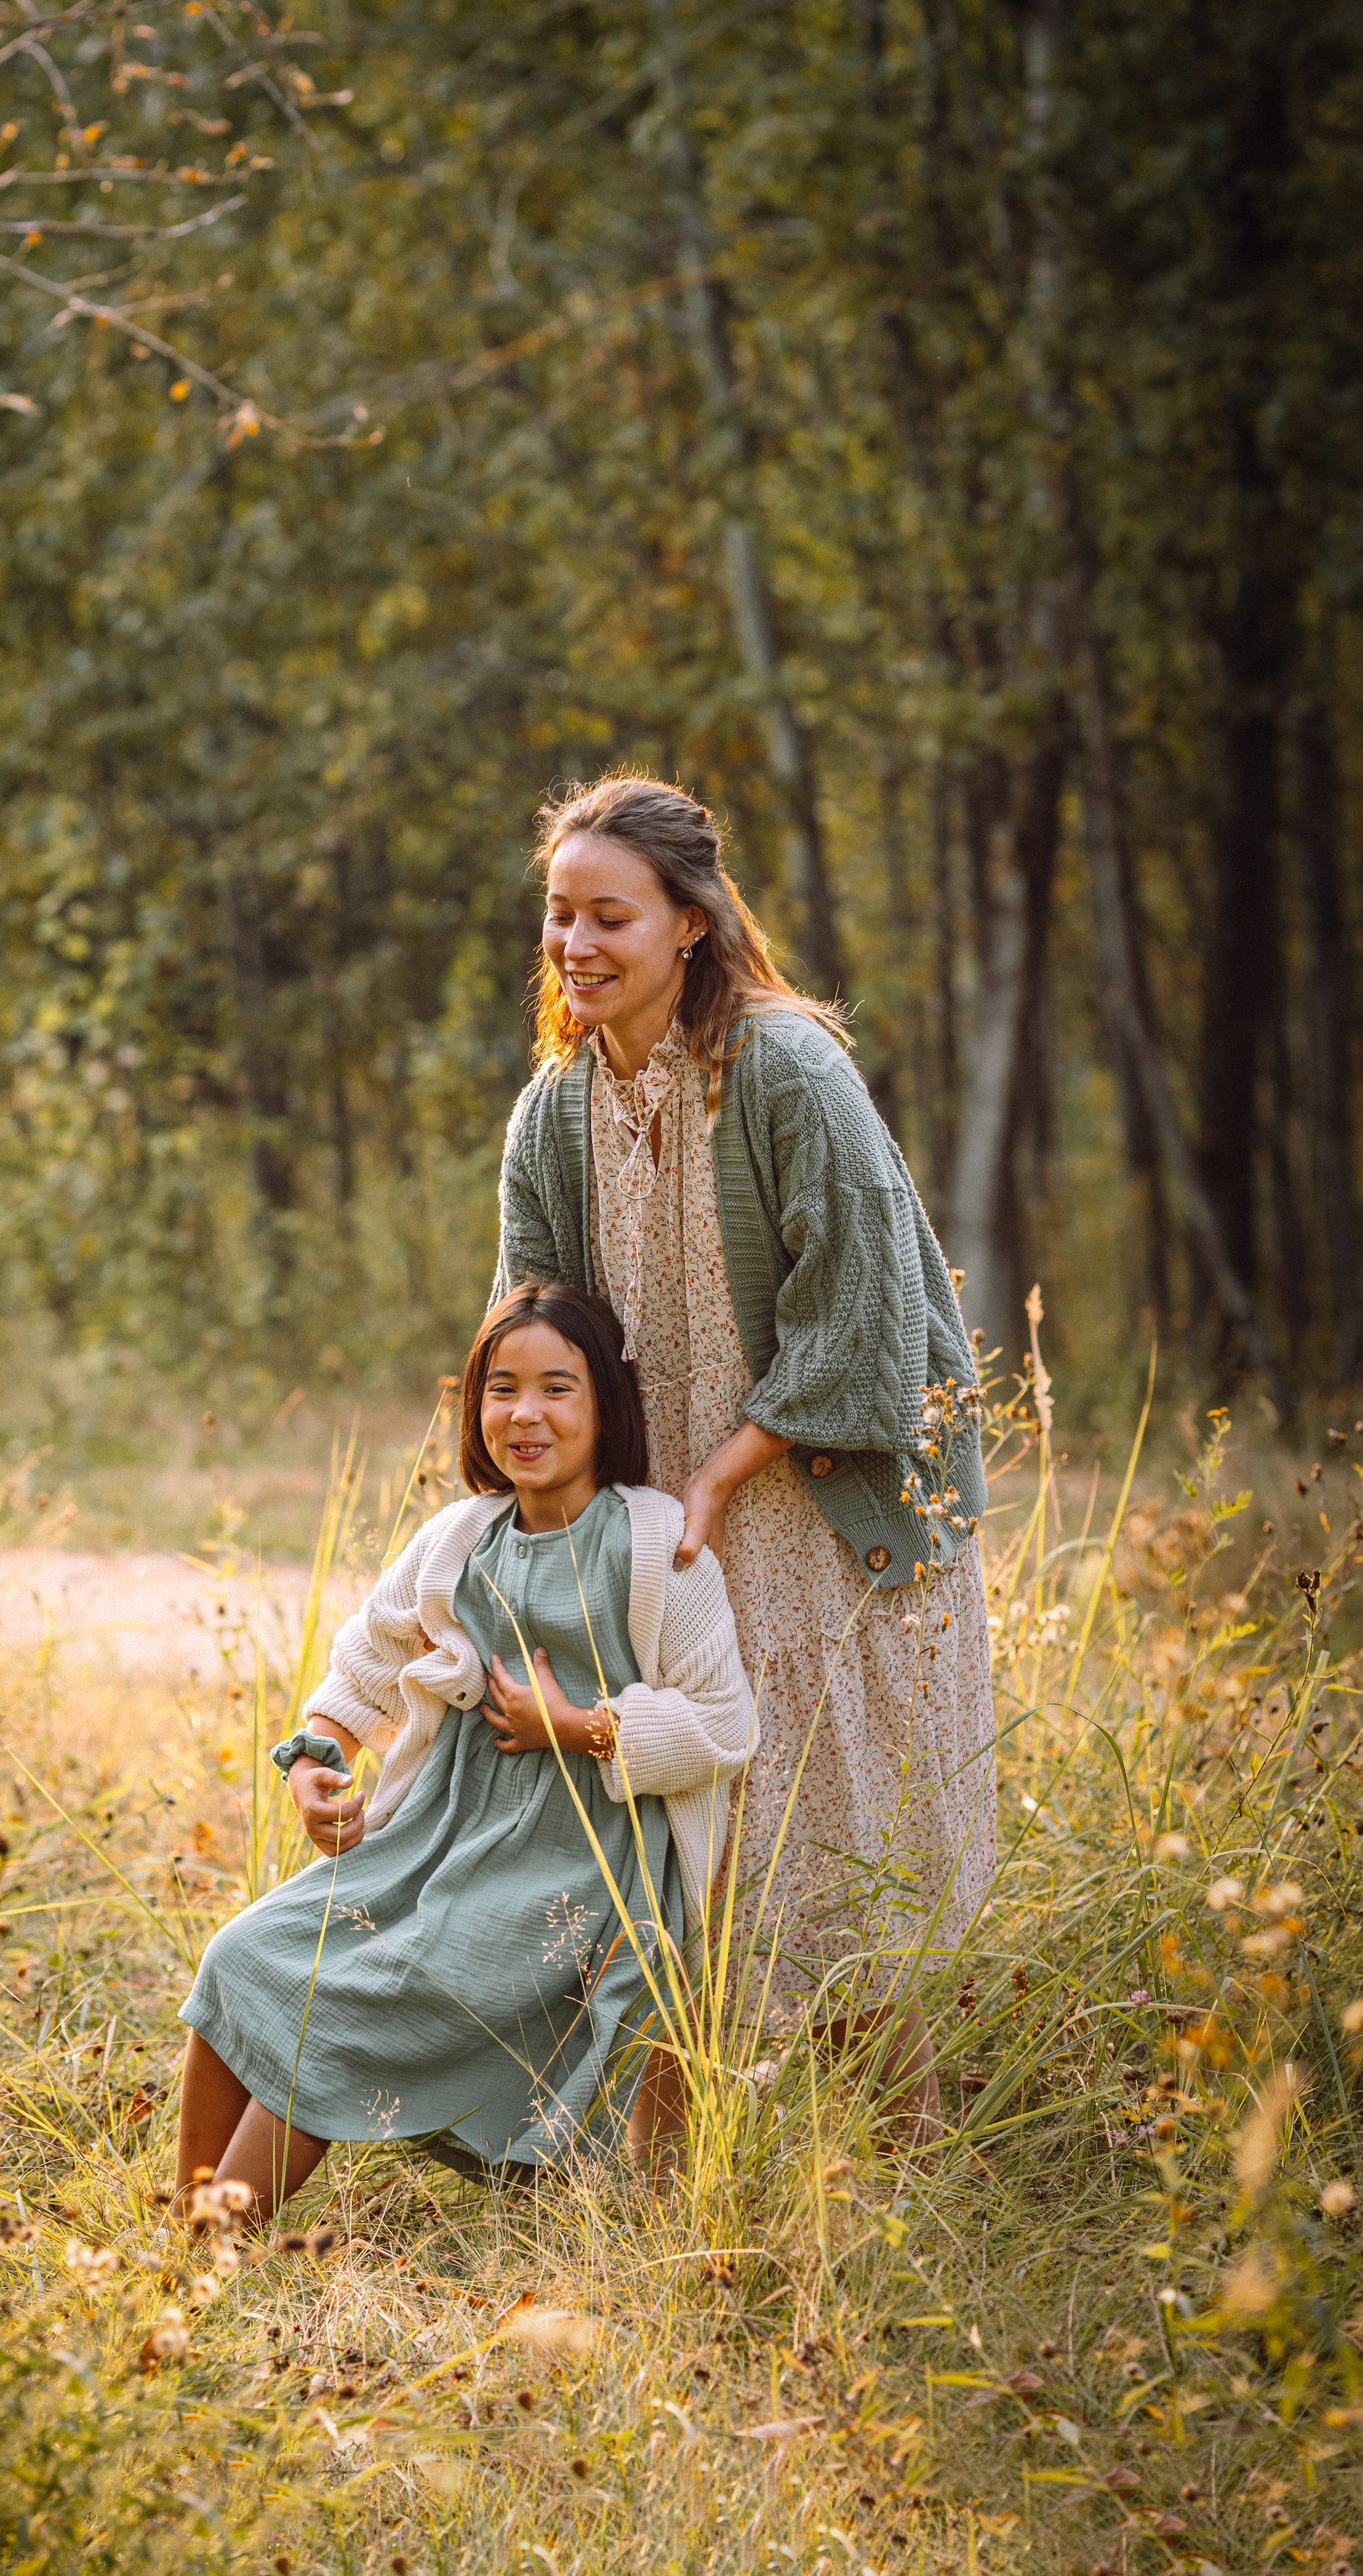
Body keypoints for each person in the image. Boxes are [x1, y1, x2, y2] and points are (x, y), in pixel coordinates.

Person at [493, 772, 996, 2136]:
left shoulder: (783, 1068)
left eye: (610, 916)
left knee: (834, 1841)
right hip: (663, 1519)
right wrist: (545, 1509)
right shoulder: (554, 1109)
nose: (577, 945)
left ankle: (914, 2155)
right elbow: (531, 1324)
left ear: (691, 924)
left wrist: (717, 1474)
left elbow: (868, 1314)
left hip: (817, 1505)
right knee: (672, 1845)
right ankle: (659, 2178)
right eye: (560, 916)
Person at [174, 1280, 758, 2224]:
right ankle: (184, 2226)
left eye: (557, 1387)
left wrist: (573, 1727)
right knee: (242, 1952)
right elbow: (367, 1661)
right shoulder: (458, 1539)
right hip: (442, 1831)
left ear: (605, 1403)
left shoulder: (658, 1547)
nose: (525, 1413)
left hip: (571, 1862)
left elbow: (723, 1726)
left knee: (349, 2006)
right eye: (501, 1387)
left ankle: (216, 2245)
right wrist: (314, 1760)